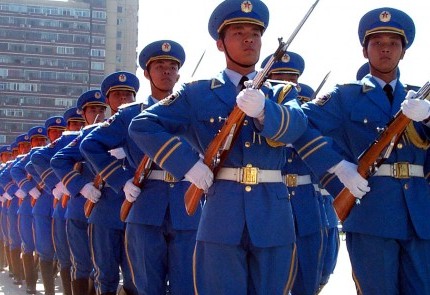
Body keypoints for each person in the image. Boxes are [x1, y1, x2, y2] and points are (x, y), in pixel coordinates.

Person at [128, 0, 308, 293]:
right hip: (222, 213)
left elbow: (298, 127)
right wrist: (189, 165)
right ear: (220, 44)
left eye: (255, 32)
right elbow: (143, 125)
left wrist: (265, 110)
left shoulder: (281, 93)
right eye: (237, 32)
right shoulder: (198, 93)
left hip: (273, 215)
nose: (249, 38)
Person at [293, 7, 430, 294]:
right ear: (364, 50)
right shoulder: (345, 96)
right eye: (377, 43)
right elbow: (299, 125)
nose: (385, 50)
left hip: (420, 214)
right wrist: (338, 168)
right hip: (372, 214)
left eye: (393, 43)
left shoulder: (421, 98)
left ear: (403, 51)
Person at [80, 40, 201, 295]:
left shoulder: (194, 112)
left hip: (187, 205)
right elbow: (90, 145)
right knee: (146, 286)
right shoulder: (130, 114)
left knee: (188, 287)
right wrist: (121, 180)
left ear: (178, 73)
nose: (166, 71)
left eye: (172, 66)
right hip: (146, 206)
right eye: (159, 66)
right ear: (147, 73)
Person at [260, 53, 325, 295]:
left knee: (306, 277)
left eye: (291, 79)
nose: (285, 84)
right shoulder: (255, 111)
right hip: (268, 200)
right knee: (269, 279)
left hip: (304, 201)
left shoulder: (309, 114)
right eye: (278, 79)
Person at [79, 71, 140, 295]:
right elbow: (61, 160)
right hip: (105, 208)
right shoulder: (94, 132)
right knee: (106, 275)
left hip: (138, 209)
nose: (123, 99)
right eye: (118, 95)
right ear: (108, 101)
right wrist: (82, 186)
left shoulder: (146, 124)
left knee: (136, 277)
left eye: (128, 95)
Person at [51, 90, 108, 295]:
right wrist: (73, 185)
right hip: (79, 208)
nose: (98, 114)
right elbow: (44, 159)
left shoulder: (113, 133)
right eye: (93, 110)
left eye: (102, 109)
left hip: (107, 208)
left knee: (103, 266)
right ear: (83, 114)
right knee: (82, 262)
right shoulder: (71, 139)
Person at [31, 109, 84, 295]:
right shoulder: (62, 144)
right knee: (58, 254)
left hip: (85, 203)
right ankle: (50, 291)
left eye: (80, 123)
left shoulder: (90, 136)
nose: (77, 127)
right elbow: (33, 163)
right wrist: (57, 185)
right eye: (73, 124)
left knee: (86, 261)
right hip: (59, 206)